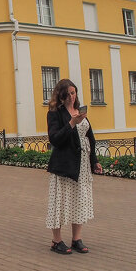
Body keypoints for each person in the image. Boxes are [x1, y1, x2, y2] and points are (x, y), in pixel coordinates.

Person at [45, 78, 102, 255]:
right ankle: (57, 241)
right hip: (65, 165)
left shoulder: (80, 111)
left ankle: (76, 239)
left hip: (82, 165)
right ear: (60, 95)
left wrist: (94, 161)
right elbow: (54, 139)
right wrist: (71, 123)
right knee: (61, 202)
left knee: (80, 200)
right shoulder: (55, 113)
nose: (71, 96)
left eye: (73, 92)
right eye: (67, 93)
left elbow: (89, 138)